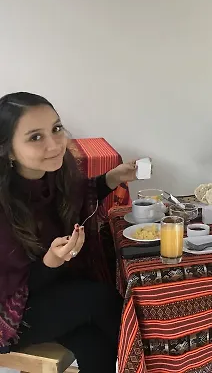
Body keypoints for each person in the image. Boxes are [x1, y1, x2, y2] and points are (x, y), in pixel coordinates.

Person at [0, 92, 139, 372]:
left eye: (56, 129)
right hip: (10, 314)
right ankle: (157, 362)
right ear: (9, 150)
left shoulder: (55, 174)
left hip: (52, 293)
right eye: (35, 137)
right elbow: (10, 286)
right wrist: (51, 262)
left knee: (95, 343)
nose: (54, 145)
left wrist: (113, 177)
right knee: (99, 299)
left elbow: (78, 195)